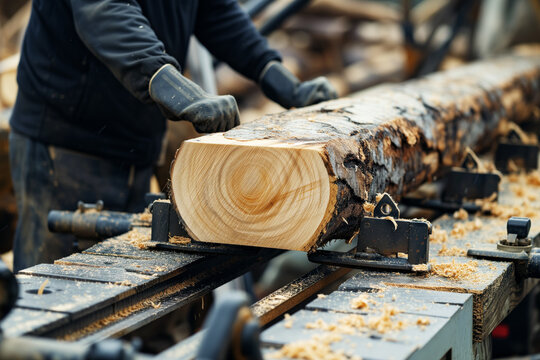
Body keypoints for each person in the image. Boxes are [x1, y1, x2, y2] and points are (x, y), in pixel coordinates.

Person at [8, 0, 337, 272]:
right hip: (66, 144)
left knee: (112, 281)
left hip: (133, 139)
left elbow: (215, 11)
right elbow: (105, 11)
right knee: (54, 291)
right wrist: (173, 87)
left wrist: (275, 75)